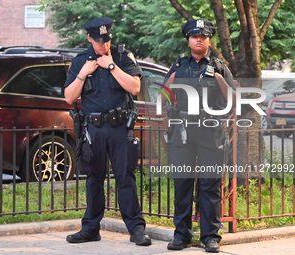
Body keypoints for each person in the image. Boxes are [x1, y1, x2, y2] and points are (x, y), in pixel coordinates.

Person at [63, 17, 151, 246]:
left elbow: (135, 87)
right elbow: (69, 97)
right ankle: (90, 229)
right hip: (93, 129)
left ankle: (136, 229)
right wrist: (83, 74)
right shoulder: (81, 61)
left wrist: (111, 66)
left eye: (107, 40)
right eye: (99, 41)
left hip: (120, 127)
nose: (104, 45)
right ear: (89, 38)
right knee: (94, 179)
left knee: (125, 179)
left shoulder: (123, 56)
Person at [163, 19, 236, 253]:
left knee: (210, 185)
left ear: (209, 41)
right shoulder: (179, 65)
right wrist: (173, 78)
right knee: (182, 183)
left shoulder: (219, 66)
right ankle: (181, 235)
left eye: (203, 37)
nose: (198, 39)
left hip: (210, 130)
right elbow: (164, 98)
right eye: (194, 36)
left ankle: (210, 237)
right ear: (188, 40)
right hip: (183, 131)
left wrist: (218, 77)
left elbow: (234, 100)